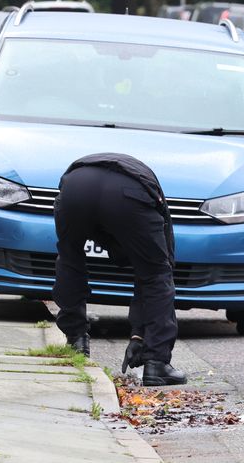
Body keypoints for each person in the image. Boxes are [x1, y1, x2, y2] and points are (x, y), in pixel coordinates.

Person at [52, 153, 186, 386]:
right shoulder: (152, 209)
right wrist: (143, 338)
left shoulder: (146, 197)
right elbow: (156, 275)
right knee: (156, 273)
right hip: (127, 193)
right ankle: (157, 364)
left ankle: (76, 341)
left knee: (69, 258)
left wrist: (137, 334)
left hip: (75, 186)